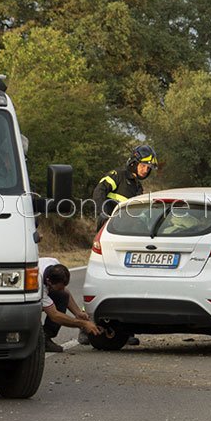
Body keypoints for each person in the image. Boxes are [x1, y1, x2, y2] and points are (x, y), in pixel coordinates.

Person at [90, 145, 158, 346]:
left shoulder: (137, 187)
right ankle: (88, 329)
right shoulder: (117, 175)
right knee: (101, 279)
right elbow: (99, 190)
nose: (146, 170)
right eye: (144, 165)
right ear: (134, 162)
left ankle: (125, 330)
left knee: (129, 281)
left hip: (129, 237)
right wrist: (103, 212)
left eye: (149, 167)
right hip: (109, 234)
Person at [39, 257, 102, 352]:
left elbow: (64, 292)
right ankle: (39, 340)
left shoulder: (54, 263)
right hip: (24, 300)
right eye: (59, 287)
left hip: (45, 287)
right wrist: (83, 324)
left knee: (62, 295)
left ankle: (45, 336)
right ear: (48, 282)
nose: (62, 289)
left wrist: (78, 313)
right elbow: (55, 316)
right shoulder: (39, 286)